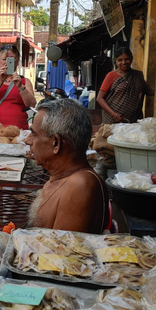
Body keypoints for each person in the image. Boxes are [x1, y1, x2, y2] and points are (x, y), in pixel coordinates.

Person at [24, 99, 110, 234]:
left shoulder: (80, 185)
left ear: (56, 144)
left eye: (34, 134)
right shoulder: (60, 177)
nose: (27, 140)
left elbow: (60, 252)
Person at [0, 44, 37, 129]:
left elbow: (31, 104)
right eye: (4, 59)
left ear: (17, 61)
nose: (7, 62)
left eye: (11, 59)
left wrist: (20, 86)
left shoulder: (24, 81)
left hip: (18, 129)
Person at [96, 47, 152, 124]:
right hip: (113, 120)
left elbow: (149, 91)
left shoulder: (138, 75)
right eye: (120, 60)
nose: (124, 62)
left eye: (127, 59)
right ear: (115, 61)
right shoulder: (111, 75)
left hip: (133, 120)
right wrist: (114, 115)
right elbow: (100, 98)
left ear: (131, 59)